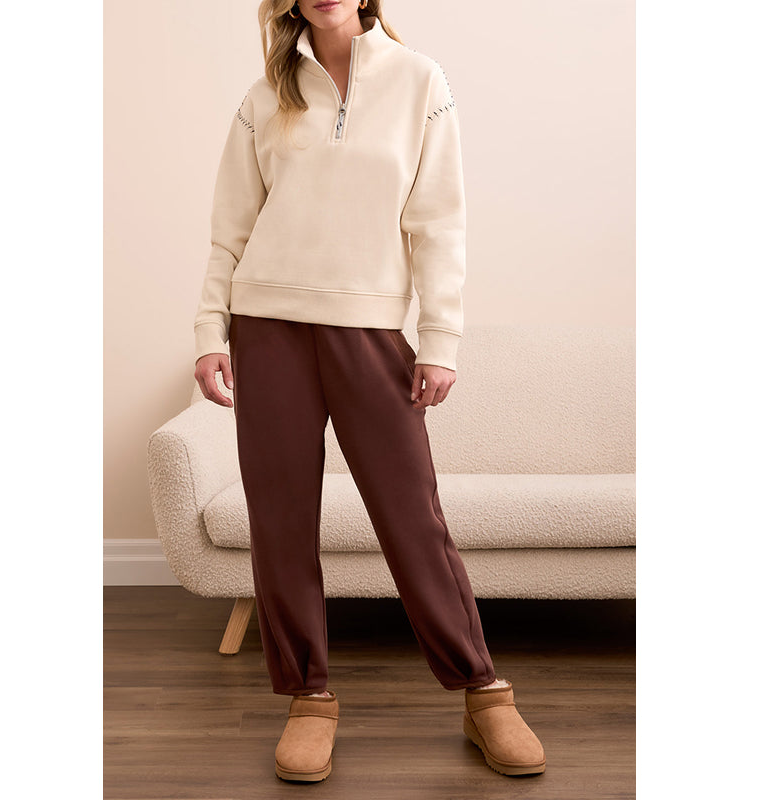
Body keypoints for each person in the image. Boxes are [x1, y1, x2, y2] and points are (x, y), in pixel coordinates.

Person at [192, 0, 545, 783]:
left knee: (412, 515)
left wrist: (440, 339)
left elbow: (439, 222)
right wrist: (211, 331)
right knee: (281, 521)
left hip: (369, 330)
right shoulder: (265, 96)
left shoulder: (421, 82)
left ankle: (483, 690)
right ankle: (308, 698)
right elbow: (230, 229)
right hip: (266, 326)